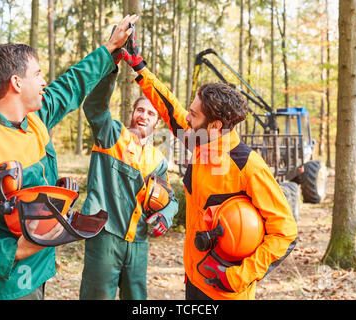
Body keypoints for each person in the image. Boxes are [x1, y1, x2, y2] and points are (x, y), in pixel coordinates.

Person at [0, 14, 138, 300]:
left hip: (39, 272)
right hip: (3, 287)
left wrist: (109, 50)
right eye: (38, 74)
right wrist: (13, 250)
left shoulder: (35, 117)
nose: (44, 81)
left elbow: (70, 86)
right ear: (16, 82)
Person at [120, 31, 298, 300]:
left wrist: (238, 277)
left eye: (193, 114)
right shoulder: (200, 141)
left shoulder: (247, 165)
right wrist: (139, 66)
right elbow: (169, 108)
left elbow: (286, 232)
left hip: (226, 290)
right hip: (195, 278)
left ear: (215, 125)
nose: (187, 117)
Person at [78, 59, 179, 300]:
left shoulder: (158, 160)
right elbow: (94, 106)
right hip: (105, 235)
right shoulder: (112, 135)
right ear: (132, 113)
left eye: (151, 113)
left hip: (138, 242)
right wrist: (111, 65)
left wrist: (165, 215)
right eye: (140, 110)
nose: (144, 116)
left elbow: (171, 199)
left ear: (158, 121)